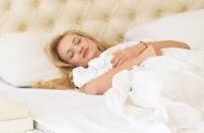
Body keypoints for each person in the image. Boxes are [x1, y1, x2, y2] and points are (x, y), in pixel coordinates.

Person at [34, 29, 189, 94]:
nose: (79, 49)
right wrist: (141, 57)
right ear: (71, 65)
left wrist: (139, 47)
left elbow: (184, 47)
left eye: (78, 41)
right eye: (71, 53)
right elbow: (94, 89)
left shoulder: (126, 47)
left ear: (87, 37)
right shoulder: (86, 75)